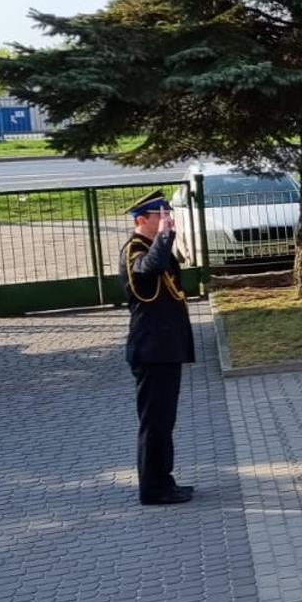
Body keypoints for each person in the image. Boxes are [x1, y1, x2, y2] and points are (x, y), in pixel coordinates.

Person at [121, 190, 195, 506]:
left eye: (168, 216)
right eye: (160, 217)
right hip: (151, 350)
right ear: (142, 220)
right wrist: (165, 239)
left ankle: (164, 480)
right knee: (155, 423)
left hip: (165, 348)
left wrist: (164, 238)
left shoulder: (152, 247)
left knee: (165, 421)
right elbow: (147, 269)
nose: (167, 220)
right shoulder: (135, 250)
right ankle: (152, 489)